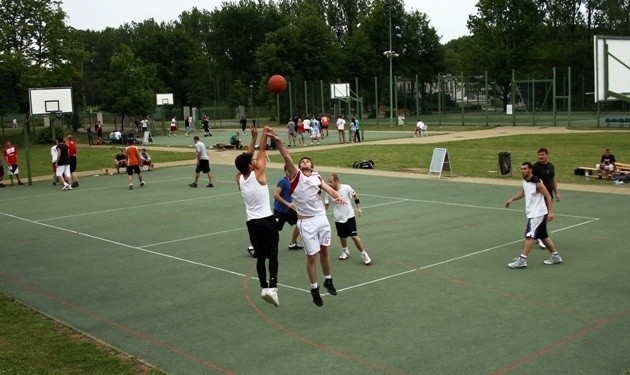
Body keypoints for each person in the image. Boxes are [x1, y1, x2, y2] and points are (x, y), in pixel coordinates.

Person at [270, 131, 344, 307]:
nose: (304, 162)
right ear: (298, 166)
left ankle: (328, 280)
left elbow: (330, 190)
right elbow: (286, 157)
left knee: (325, 251)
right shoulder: (296, 177)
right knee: (312, 257)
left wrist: (338, 197)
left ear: (311, 165)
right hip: (306, 222)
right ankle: (314, 289)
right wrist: (279, 143)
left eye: (307, 160)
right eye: (302, 161)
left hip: (321, 218)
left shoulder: (317, 177)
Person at [235, 124, 280, 306]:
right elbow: (262, 151)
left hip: (252, 223)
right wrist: (263, 135)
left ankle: (263, 287)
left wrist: (252, 138)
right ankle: (273, 288)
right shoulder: (258, 173)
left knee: (261, 256)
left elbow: (248, 157)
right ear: (250, 165)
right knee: (274, 254)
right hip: (266, 221)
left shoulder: (239, 178)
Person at [505, 162, 562, 269]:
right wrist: (512, 199)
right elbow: (523, 192)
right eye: (521, 168)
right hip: (533, 213)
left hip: (538, 214)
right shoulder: (525, 181)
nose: (522, 170)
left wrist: (550, 212)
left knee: (530, 235)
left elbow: (548, 197)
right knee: (543, 236)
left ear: (530, 169)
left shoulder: (537, 183)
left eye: (525, 168)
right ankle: (555, 256)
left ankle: (522, 260)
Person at [324, 173, 372, 265]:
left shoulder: (346, 188)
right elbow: (326, 205)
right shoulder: (328, 192)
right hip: (338, 217)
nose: (328, 183)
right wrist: (321, 214)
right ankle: (345, 250)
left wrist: (358, 207)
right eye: (328, 181)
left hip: (349, 216)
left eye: (330, 181)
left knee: (354, 236)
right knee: (342, 236)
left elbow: (355, 195)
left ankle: (364, 254)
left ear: (337, 181)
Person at [532, 147, 560, 249]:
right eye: (539, 155)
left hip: (549, 195)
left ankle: (537, 234)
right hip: (539, 196)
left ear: (547, 155)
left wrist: (556, 192)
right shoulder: (535, 167)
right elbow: (531, 181)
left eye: (543, 155)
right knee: (542, 215)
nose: (541, 157)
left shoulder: (550, 166)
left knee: (546, 215)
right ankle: (541, 237)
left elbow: (553, 179)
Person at [273, 165, 303, 250]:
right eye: (288, 170)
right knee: (273, 230)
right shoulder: (283, 181)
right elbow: (275, 195)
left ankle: (293, 243)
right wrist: (288, 203)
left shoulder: (292, 181)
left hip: (287, 210)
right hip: (280, 211)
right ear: (285, 171)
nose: (290, 172)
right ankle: (256, 246)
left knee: (300, 222)